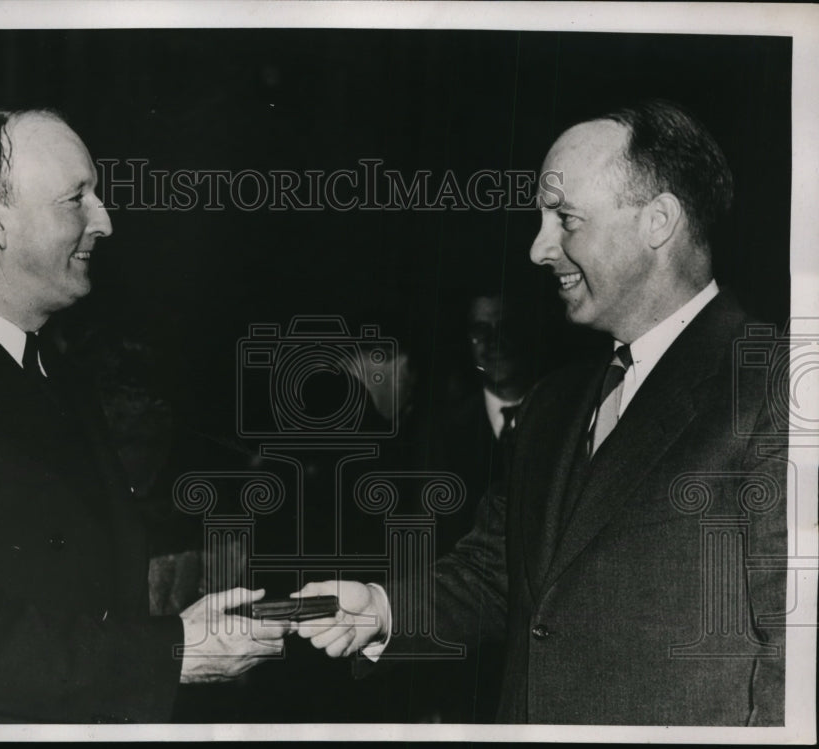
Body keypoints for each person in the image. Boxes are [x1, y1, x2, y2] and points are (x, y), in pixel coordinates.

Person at [293, 100, 787, 725]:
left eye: (565, 219)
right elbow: (498, 576)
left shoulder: (776, 387)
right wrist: (382, 609)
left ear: (658, 222)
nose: (537, 248)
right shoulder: (553, 403)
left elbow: (795, 657)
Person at [0, 109, 289, 723]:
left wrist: (181, 633)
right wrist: (168, 654)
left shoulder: (61, 376)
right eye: (75, 199)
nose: (105, 221)